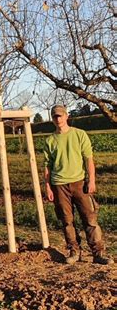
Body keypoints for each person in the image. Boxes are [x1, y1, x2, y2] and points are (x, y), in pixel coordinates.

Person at [44, 105, 113, 265]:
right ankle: (74, 251)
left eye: (60, 116)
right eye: (55, 117)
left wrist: (92, 180)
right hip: (59, 185)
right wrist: (47, 186)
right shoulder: (50, 140)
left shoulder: (79, 135)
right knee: (67, 220)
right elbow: (47, 165)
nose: (58, 119)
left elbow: (88, 159)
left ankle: (98, 253)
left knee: (90, 219)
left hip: (79, 183)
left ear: (66, 116)